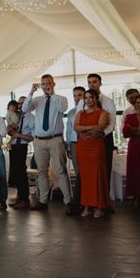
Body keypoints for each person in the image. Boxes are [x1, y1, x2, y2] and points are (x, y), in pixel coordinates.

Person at [22, 74, 72, 212]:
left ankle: (68, 201)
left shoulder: (61, 99)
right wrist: (31, 92)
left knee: (61, 170)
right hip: (39, 141)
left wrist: (52, 95)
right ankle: (43, 201)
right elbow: (25, 109)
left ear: (54, 84)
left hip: (55, 139)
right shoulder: (37, 100)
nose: (46, 86)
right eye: (43, 84)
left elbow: (62, 109)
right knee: (41, 171)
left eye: (49, 83)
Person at [75, 89, 109, 218]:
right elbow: (76, 127)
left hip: (96, 147)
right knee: (85, 177)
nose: (88, 100)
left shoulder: (102, 113)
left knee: (97, 175)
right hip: (82, 147)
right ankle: (86, 206)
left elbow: (100, 127)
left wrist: (84, 130)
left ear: (96, 99)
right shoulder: (80, 113)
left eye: (91, 97)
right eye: (86, 98)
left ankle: (99, 207)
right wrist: (90, 127)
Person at [8, 96, 35, 210]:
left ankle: (25, 200)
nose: (20, 106)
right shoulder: (18, 116)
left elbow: (32, 137)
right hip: (13, 146)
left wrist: (18, 135)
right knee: (15, 174)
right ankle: (19, 198)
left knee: (21, 173)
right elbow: (13, 132)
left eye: (22, 103)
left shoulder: (31, 117)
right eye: (18, 103)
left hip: (22, 146)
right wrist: (11, 132)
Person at [122, 94, 140, 208]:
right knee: (135, 169)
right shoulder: (130, 116)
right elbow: (126, 132)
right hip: (134, 146)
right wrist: (139, 130)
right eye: (137, 102)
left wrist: (134, 129)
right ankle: (136, 195)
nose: (139, 104)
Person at [65, 86, 85, 216]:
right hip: (74, 144)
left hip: (88, 143)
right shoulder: (71, 112)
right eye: (75, 96)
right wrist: (68, 146)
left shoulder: (89, 111)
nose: (77, 98)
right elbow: (69, 130)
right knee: (79, 174)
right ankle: (81, 202)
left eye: (79, 95)